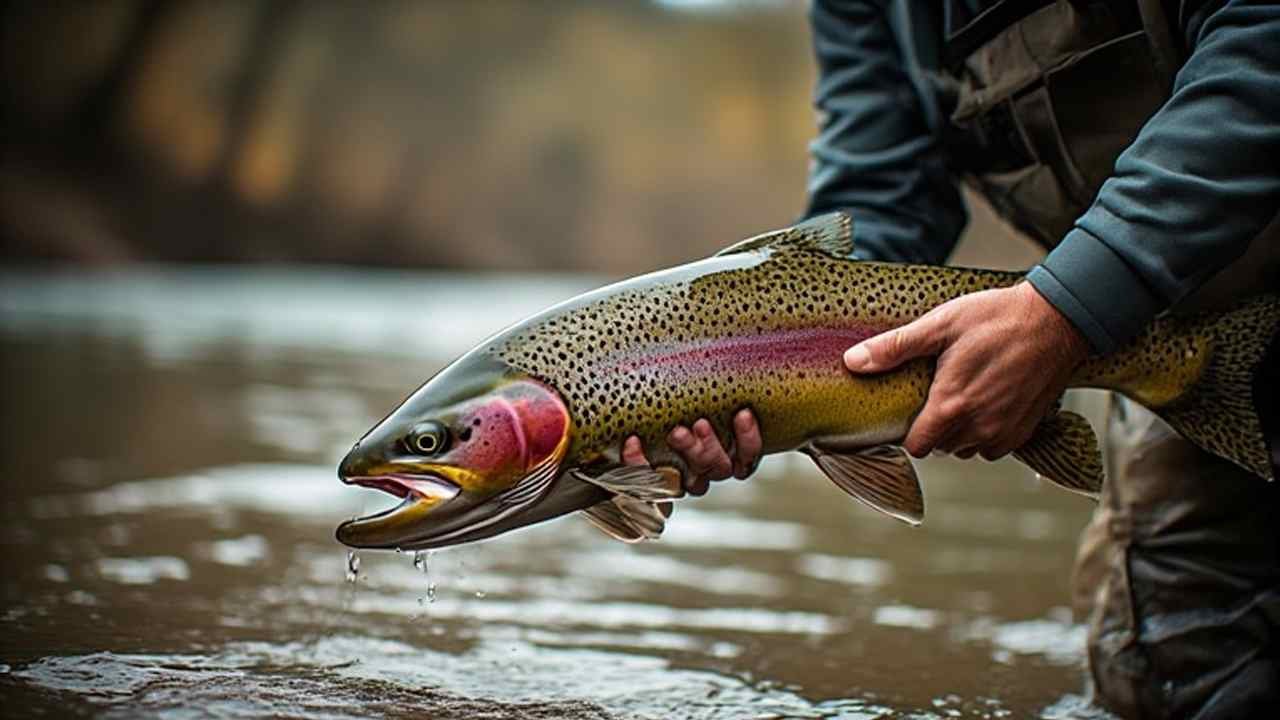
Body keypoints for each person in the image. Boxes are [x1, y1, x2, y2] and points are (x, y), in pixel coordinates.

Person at [628, 1, 1280, 717]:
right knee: (1163, 678)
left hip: (1111, 304)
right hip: (1158, 328)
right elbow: (883, 195)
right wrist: (778, 380)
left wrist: (1063, 311)